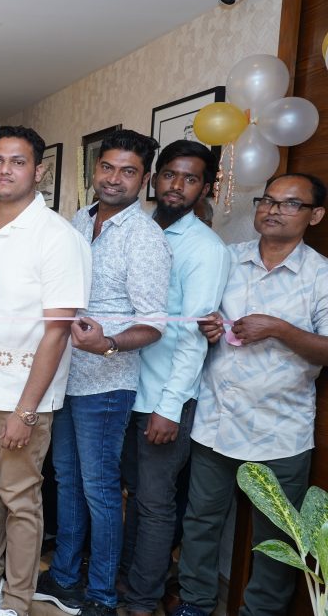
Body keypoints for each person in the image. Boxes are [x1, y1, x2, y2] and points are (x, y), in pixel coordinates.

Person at [0, 126, 91, 616]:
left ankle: (17, 599)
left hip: (21, 396)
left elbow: (57, 332)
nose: (5, 170)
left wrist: (26, 411)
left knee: (21, 499)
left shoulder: (57, 237)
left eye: (18, 161)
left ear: (38, 171)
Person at [173, 173, 328, 616]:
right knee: (201, 521)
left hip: (280, 429)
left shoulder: (321, 275)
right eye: (268, 200)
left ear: (315, 215)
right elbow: (198, 318)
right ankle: (194, 603)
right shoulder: (228, 258)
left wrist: (279, 329)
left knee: (276, 537)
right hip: (216, 419)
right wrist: (208, 328)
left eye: (290, 203)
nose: (273, 209)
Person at [34, 129, 171, 616]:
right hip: (63, 375)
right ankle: (65, 577)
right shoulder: (79, 219)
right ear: (95, 170)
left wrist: (108, 344)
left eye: (128, 171)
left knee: (100, 489)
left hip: (107, 384)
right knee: (67, 480)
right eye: (107, 167)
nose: (114, 179)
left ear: (144, 179)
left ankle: (102, 595)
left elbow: (154, 323)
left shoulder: (145, 237)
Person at [119, 141, 230, 616]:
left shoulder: (205, 248)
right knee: (131, 494)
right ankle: (125, 581)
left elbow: (193, 335)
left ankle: (142, 600)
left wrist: (169, 407)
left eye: (190, 179)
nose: (177, 186)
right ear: (154, 177)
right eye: (169, 174)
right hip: (126, 385)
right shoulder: (140, 229)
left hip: (165, 398)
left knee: (154, 502)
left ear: (205, 188)